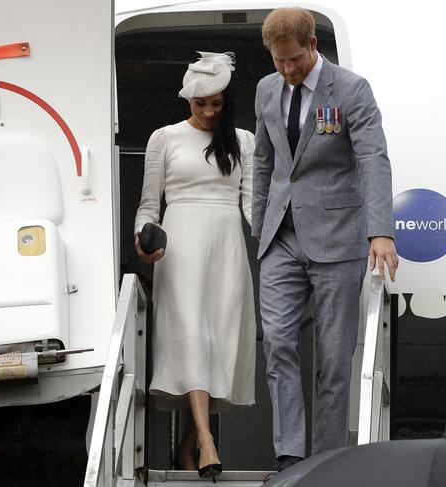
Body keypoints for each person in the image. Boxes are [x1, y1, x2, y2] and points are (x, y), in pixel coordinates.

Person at [251, 7, 399, 473]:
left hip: (338, 239)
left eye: (294, 59)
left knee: (333, 361)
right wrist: (260, 226)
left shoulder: (351, 89)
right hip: (282, 237)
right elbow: (263, 161)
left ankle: (327, 460)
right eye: (280, 61)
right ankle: (290, 453)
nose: (288, 69)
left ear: (313, 45)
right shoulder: (266, 89)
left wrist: (380, 232)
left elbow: (373, 157)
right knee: (277, 343)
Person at [134, 51, 256, 480]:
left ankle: (186, 450)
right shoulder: (163, 137)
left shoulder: (242, 140)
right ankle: (206, 441)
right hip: (179, 243)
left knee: (217, 342)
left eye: (216, 104)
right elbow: (149, 205)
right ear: (188, 100)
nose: (207, 112)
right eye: (200, 103)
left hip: (226, 245)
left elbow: (252, 205)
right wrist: (143, 240)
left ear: (227, 101)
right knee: (191, 337)